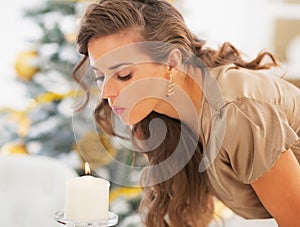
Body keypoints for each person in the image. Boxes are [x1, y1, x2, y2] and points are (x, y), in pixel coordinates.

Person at [72, 0, 300, 226]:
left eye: (123, 75)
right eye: (100, 76)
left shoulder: (236, 113)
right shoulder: (155, 114)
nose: (105, 92)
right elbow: (192, 215)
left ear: (172, 62)